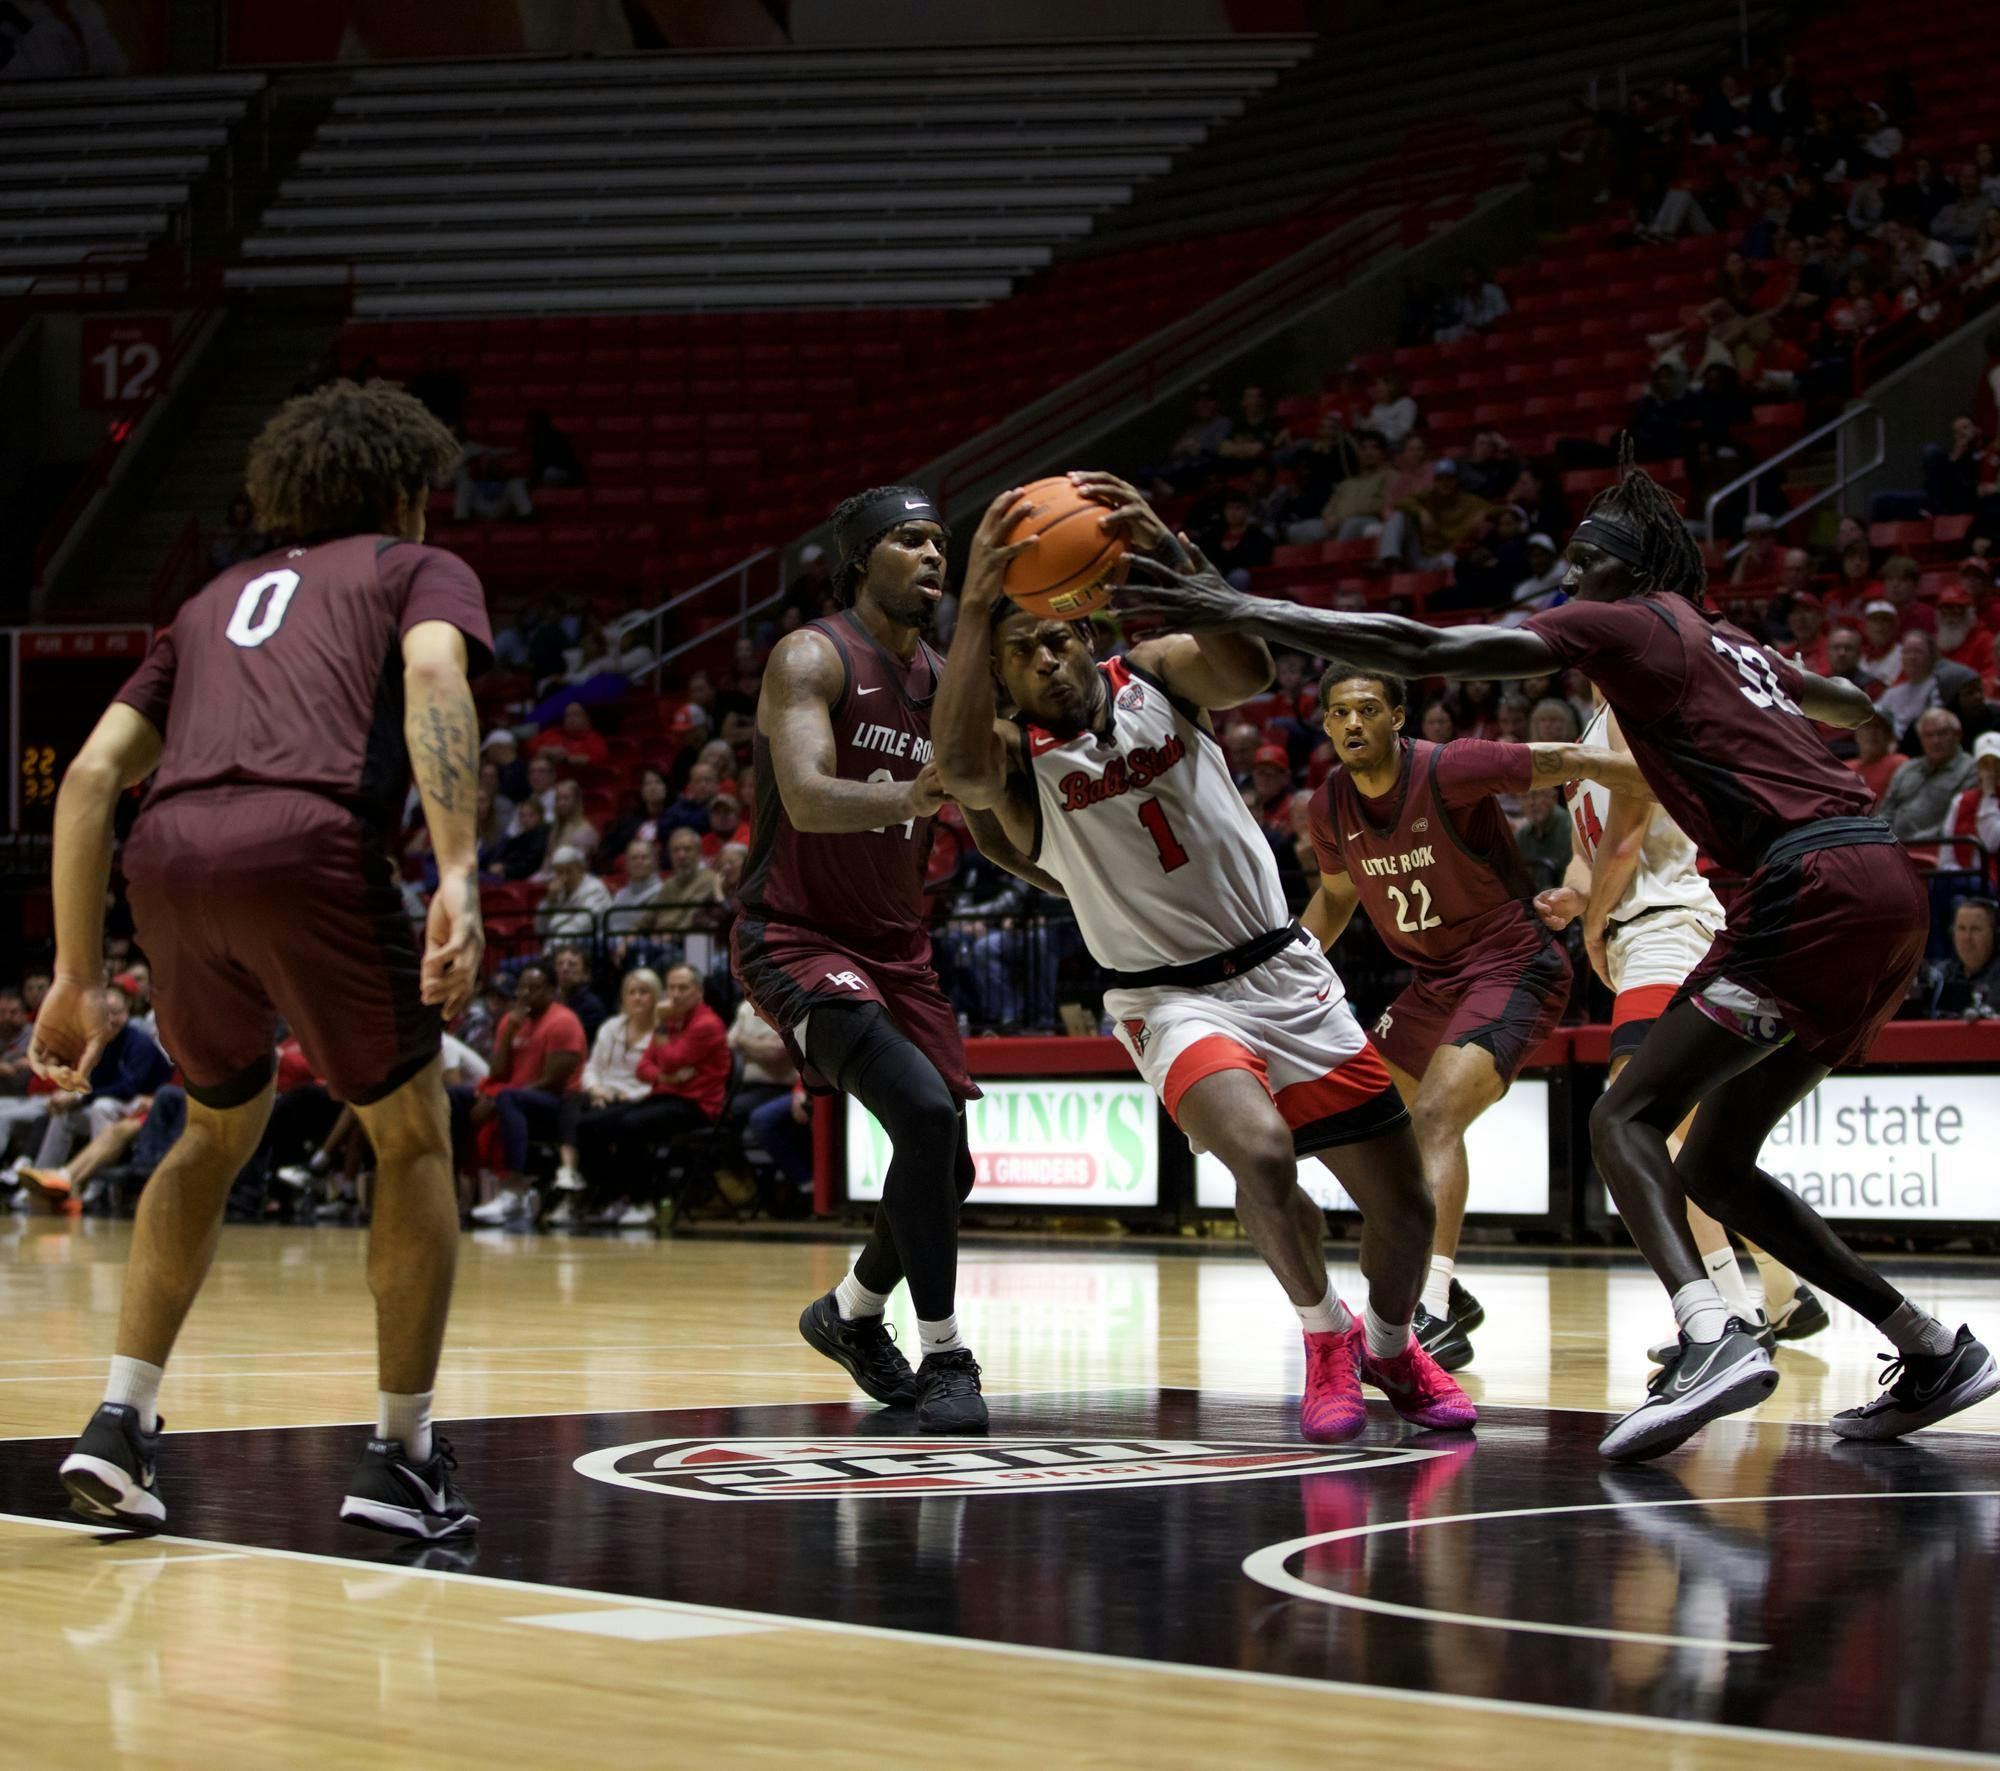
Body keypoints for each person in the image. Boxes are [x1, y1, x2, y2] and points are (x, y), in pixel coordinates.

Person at [1124, 440, 1998, 1460]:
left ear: (1626, 574)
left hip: (1802, 887)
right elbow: (1843, 701)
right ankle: (1927, 1345)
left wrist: (1235, 608)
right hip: (1885, 887)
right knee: (1712, 1158)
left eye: (1584, 565)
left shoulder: (1622, 623)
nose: (1567, 584)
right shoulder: (1727, 644)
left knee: (1623, 1116)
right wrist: (1812, 702)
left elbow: (1420, 648)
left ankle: (1708, 1333)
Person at [30, 378, 488, 1537]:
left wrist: (77, 976)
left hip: (168, 855)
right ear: (399, 488)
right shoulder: (410, 567)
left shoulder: (210, 599)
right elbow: (436, 678)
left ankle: (120, 1422)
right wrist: (462, 871)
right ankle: (400, 1458)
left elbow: (89, 780)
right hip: (307, 843)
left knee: (214, 1124)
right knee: (410, 1132)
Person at [937, 474, 1475, 1443]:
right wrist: (977, 602)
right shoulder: (1013, 767)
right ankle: (1322, 1336)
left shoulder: (1152, 676)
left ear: (1084, 631)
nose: (1049, 657)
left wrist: (1175, 558)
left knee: (1404, 1199)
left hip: (1282, 968)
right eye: (1024, 651)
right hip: (1168, 1000)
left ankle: (1389, 1344)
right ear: (1002, 680)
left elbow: (1249, 665)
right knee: (1262, 1154)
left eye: (1058, 634)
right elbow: (961, 767)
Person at [733, 485, 1022, 1432]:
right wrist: (915, 790)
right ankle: (945, 1352)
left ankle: (850, 1315)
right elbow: (811, 796)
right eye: (910, 540)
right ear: (860, 559)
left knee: (952, 1167)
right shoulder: (811, 656)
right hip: (796, 932)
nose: (934, 556)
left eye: (942, 542)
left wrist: (1073, 884)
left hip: (897, 947)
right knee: (926, 1116)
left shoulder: (946, 679)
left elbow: (985, 825)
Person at [1303, 669, 1642, 1368]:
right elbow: (1336, 897)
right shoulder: (1329, 805)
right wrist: (1287, 965)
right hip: (1432, 982)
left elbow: (1558, 761)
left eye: (1369, 708)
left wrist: (1646, 770)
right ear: (1328, 726)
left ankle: (1430, 1307)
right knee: (1376, 1128)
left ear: (1398, 717)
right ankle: (1445, 1294)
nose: (1354, 722)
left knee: (1434, 1119)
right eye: (1341, 712)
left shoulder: (1448, 766)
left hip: (1511, 962)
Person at [1536, 687, 1825, 1357]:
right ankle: (1782, 1292)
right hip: (1648, 930)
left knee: (1642, 1124)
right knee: (1690, 1138)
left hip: (1668, 927)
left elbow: (1629, 839)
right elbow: (1591, 850)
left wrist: (1591, 924)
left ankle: (1727, 1311)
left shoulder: (1640, 714)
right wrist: (1573, 893)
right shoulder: (1589, 734)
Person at [574, 965, 728, 1229]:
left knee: (632, 1125)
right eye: (671, 988)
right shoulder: (671, 1023)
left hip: (697, 1104)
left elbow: (668, 1059)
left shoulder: (707, 1025)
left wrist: (658, 1032)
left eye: (683, 988)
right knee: (589, 1125)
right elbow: (643, 1068)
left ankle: (642, 1201)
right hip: (666, 1095)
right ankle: (609, 1196)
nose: (676, 995)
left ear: (698, 992)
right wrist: (666, 1077)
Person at [466, 961, 586, 1225]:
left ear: (552, 990)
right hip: (519, 1098)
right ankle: (457, 1193)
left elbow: (553, 1082)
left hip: (558, 1102)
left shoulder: (563, 1021)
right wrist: (509, 1033)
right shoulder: (511, 1020)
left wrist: (503, 1096)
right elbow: (496, 1072)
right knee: (455, 1098)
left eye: (535, 988)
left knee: (507, 1098)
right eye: (522, 988)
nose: (526, 994)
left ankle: (514, 1190)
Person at [552, 967, 663, 1228]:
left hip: (637, 1096)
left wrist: (625, 1095)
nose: (637, 998)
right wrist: (596, 1089)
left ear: (656, 996)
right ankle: (570, 1177)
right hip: (603, 1093)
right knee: (570, 1104)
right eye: (632, 992)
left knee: (592, 1125)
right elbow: (592, 1067)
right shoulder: (611, 1027)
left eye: (644, 992)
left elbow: (660, 1077)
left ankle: (597, 1193)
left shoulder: (662, 1033)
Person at [1923, 897, 2000, 1017]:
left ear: (1995, 935)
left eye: (1975, 929)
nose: (1967, 938)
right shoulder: (1940, 974)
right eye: (1961, 928)